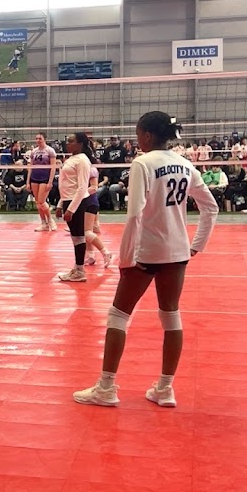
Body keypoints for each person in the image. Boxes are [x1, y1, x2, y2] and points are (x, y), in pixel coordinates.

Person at [73, 112, 218, 408]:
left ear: (148, 135)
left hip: (147, 252)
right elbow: (211, 207)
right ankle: (165, 388)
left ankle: (106, 387)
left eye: (138, 134)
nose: (137, 139)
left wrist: (127, 258)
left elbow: (135, 214)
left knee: (118, 315)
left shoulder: (143, 163)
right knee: (171, 315)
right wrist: (195, 246)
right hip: (177, 252)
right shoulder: (186, 164)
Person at [55, 133, 94, 282]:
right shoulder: (71, 159)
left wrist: (71, 209)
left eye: (71, 141)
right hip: (68, 200)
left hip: (76, 201)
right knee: (75, 237)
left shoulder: (83, 160)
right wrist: (60, 204)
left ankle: (80, 271)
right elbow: (66, 184)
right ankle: (77, 269)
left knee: (79, 237)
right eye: (67, 141)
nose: (68, 143)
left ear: (80, 144)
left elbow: (82, 187)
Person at [28, 133, 58, 231]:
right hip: (34, 177)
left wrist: (50, 181)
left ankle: (50, 220)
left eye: (40, 138)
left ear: (44, 139)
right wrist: (28, 181)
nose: (38, 140)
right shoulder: (34, 151)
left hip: (45, 178)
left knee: (42, 201)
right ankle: (43, 223)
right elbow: (30, 167)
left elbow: (53, 167)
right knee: (38, 202)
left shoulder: (50, 150)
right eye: (36, 138)